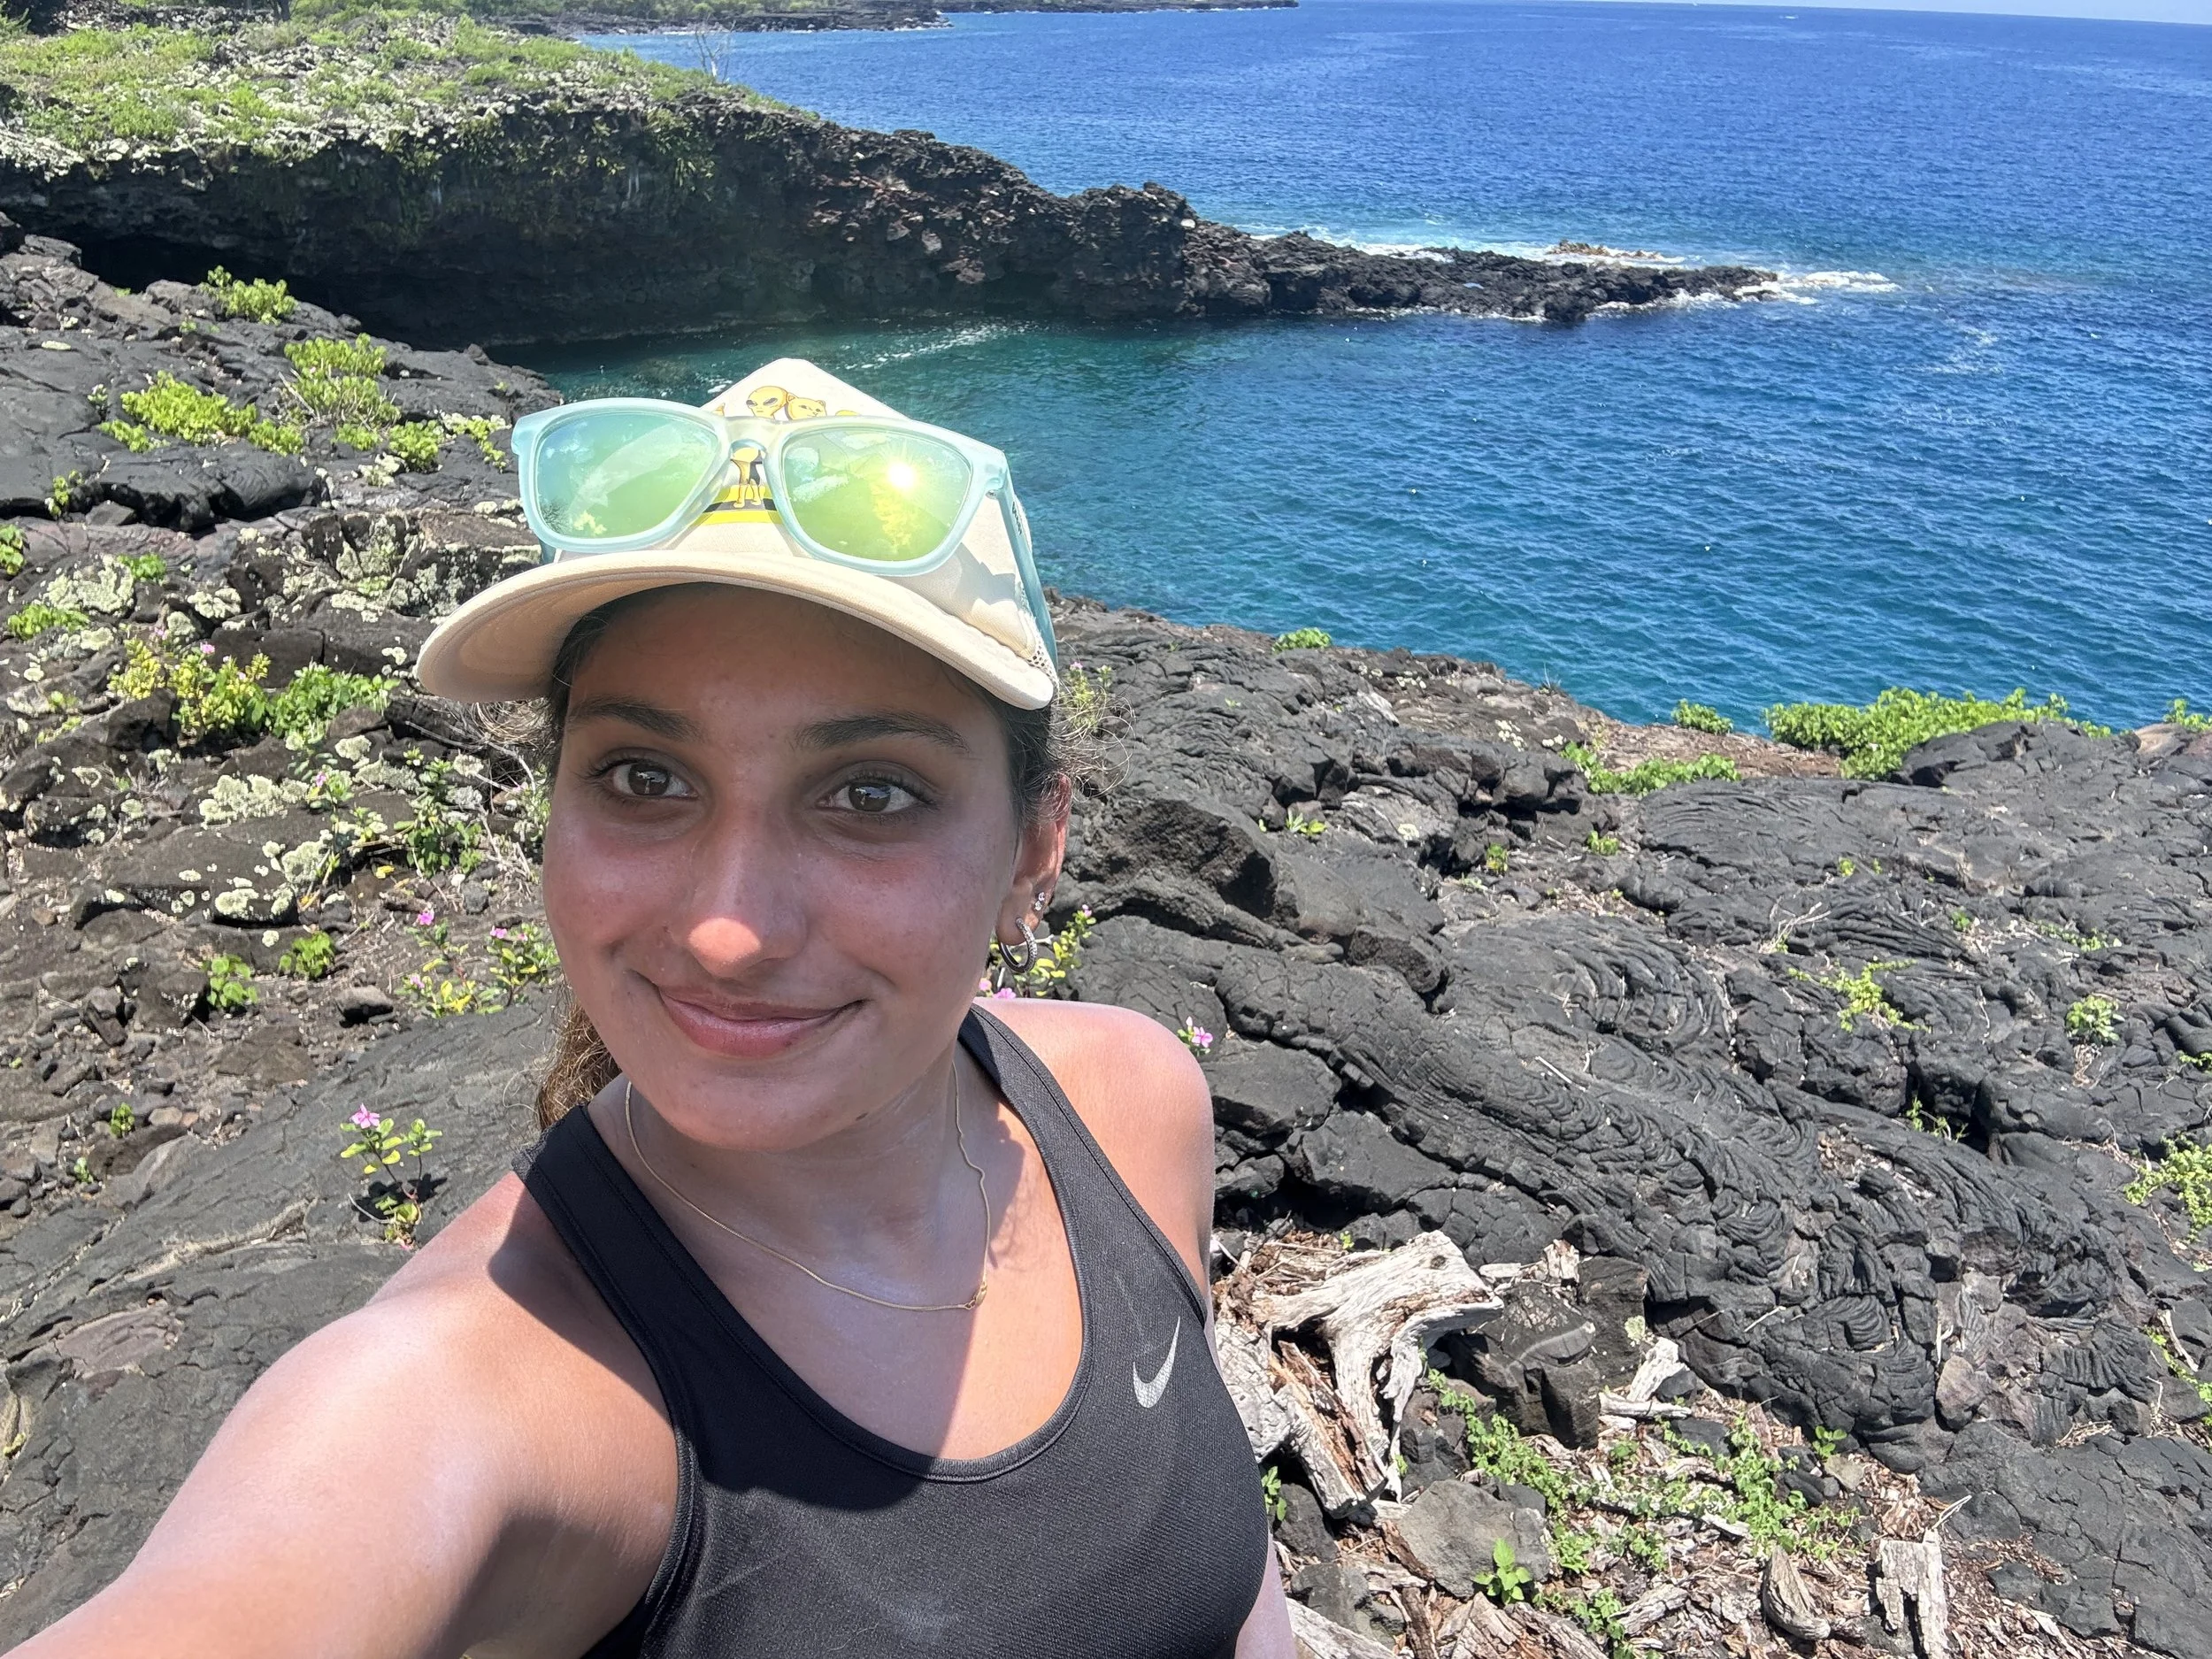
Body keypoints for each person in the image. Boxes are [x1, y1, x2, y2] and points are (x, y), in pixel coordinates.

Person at [13, 360, 1294, 1659]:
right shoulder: (485, 1385)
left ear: (1034, 849)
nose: (730, 928)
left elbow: (1224, 1589)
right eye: (644, 775)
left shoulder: (1128, 1103)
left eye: (871, 793)